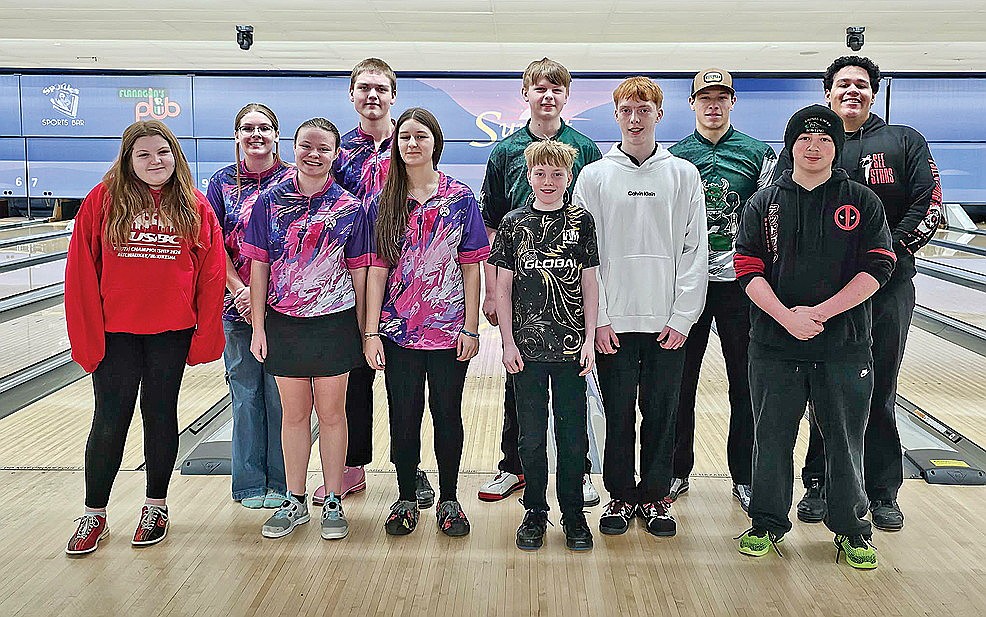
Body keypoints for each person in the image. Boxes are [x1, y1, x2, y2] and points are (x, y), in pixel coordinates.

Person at [774, 57, 943, 531]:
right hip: (822, 297)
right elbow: (780, 207)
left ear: (874, 92)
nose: (853, 90)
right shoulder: (811, 144)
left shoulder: (904, 141)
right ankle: (819, 486)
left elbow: (929, 204)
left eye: (862, 85)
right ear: (828, 92)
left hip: (885, 289)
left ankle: (882, 491)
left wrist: (878, 257)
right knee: (821, 388)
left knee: (879, 389)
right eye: (843, 84)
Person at [734, 104, 896, 569]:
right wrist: (787, 317)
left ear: (835, 147)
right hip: (774, 344)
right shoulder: (764, 202)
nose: (813, 146)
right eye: (804, 139)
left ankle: (851, 531)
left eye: (824, 140)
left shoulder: (861, 200)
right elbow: (747, 268)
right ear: (791, 146)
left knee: (845, 441)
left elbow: (878, 267)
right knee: (772, 437)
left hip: (843, 344)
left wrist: (819, 314)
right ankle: (766, 523)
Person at [64, 120, 225, 554]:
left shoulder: (194, 205)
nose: (156, 162)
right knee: (109, 419)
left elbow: (211, 273)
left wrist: (206, 333)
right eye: (144, 154)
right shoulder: (103, 201)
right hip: (116, 332)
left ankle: (156, 505)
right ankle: (93, 513)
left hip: (170, 331)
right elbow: (81, 268)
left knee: (160, 415)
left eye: (164, 153)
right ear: (127, 159)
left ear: (176, 155)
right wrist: (86, 334)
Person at [572, 76, 708, 538]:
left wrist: (683, 317)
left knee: (663, 411)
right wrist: (600, 320)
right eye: (626, 110)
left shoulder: (683, 175)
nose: (635, 119)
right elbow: (582, 257)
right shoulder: (593, 176)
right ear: (616, 116)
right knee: (617, 413)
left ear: (658, 115)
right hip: (613, 323)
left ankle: (654, 497)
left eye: (643, 110)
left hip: (667, 323)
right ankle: (619, 495)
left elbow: (695, 251)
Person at [478, 57, 602, 506]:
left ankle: (580, 473)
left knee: (575, 397)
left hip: (569, 301)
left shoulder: (586, 149)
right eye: (539, 88)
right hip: (520, 293)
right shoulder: (505, 152)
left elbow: (592, 228)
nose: (547, 96)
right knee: (519, 386)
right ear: (525, 95)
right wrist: (493, 290)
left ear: (567, 96)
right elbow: (492, 225)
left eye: (556, 89)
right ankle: (514, 468)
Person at [314, 58, 436, 509]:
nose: (372, 95)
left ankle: (413, 467)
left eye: (380, 88)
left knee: (408, 386)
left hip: (406, 284)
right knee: (356, 379)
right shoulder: (337, 151)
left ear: (393, 94)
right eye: (363, 87)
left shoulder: (409, 146)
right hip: (349, 282)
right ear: (351, 94)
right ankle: (352, 465)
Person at [242, 118, 371, 541]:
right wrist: (259, 327)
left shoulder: (351, 208)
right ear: (293, 147)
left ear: (336, 154)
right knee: (294, 416)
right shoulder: (269, 202)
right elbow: (258, 266)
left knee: (333, 415)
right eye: (306, 146)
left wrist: (363, 331)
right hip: (285, 322)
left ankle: (333, 498)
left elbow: (359, 272)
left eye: (324, 148)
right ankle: (294, 499)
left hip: (334, 323)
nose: (314, 155)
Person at [364, 108, 489, 537]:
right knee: (404, 416)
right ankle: (405, 496)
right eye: (404, 138)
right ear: (396, 146)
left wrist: (471, 327)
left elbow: (472, 267)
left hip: (449, 330)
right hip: (398, 331)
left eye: (420, 136)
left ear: (436, 141)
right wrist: (371, 331)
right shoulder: (384, 200)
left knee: (447, 415)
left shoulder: (460, 198)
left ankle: (450, 498)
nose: (411, 144)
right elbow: (377, 269)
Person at [667, 69, 776, 512]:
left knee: (745, 385)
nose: (713, 105)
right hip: (688, 284)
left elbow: (770, 218)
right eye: (704, 98)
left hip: (741, 286)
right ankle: (675, 470)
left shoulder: (757, 153)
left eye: (721, 97)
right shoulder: (674, 157)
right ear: (692, 103)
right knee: (679, 382)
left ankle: (744, 476)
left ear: (733, 102)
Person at [489, 140, 600, 551]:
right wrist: (507, 342)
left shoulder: (583, 222)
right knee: (531, 439)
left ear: (569, 177)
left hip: (572, 351)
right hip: (527, 354)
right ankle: (534, 510)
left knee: (573, 437)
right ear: (529, 176)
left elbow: (589, 282)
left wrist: (589, 340)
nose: (548, 181)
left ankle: (573, 514)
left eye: (557, 174)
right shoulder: (514, 224)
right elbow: (502, 288)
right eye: (540, 173)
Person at [206, 103, 293, 510]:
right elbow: (213, 243)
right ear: (236, 137)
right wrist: (241, 291)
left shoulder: (295, 180)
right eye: (247, 129)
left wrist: (264, 296)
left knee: (280, 398)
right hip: (235, 307)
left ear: (277, 135)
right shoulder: (222, 184)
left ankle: (282, 481)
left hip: (283, 308)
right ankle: (247, 483)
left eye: (264, 128)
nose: (255, 135)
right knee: (244, 395)